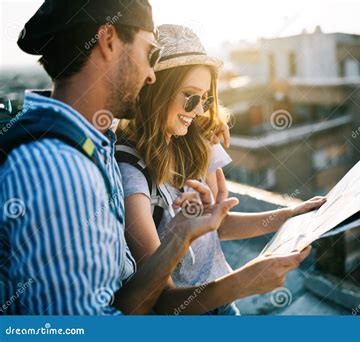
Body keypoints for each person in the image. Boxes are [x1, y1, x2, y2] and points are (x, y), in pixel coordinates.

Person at [0, 1, 236, 315]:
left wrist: (204, 120)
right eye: (150, 54)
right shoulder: (59, 169)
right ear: (108, 40)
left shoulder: (91, 138)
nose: (153, 75)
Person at [116, 25, 324, 315]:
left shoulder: (192, 142)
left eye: (205, 99)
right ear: (155, 90)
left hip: (224, 307)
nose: (200, 110)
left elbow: (218, 225)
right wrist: (244, 281)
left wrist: (289, 216)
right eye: (190, 96)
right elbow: (160, 302)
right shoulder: (132, 176)